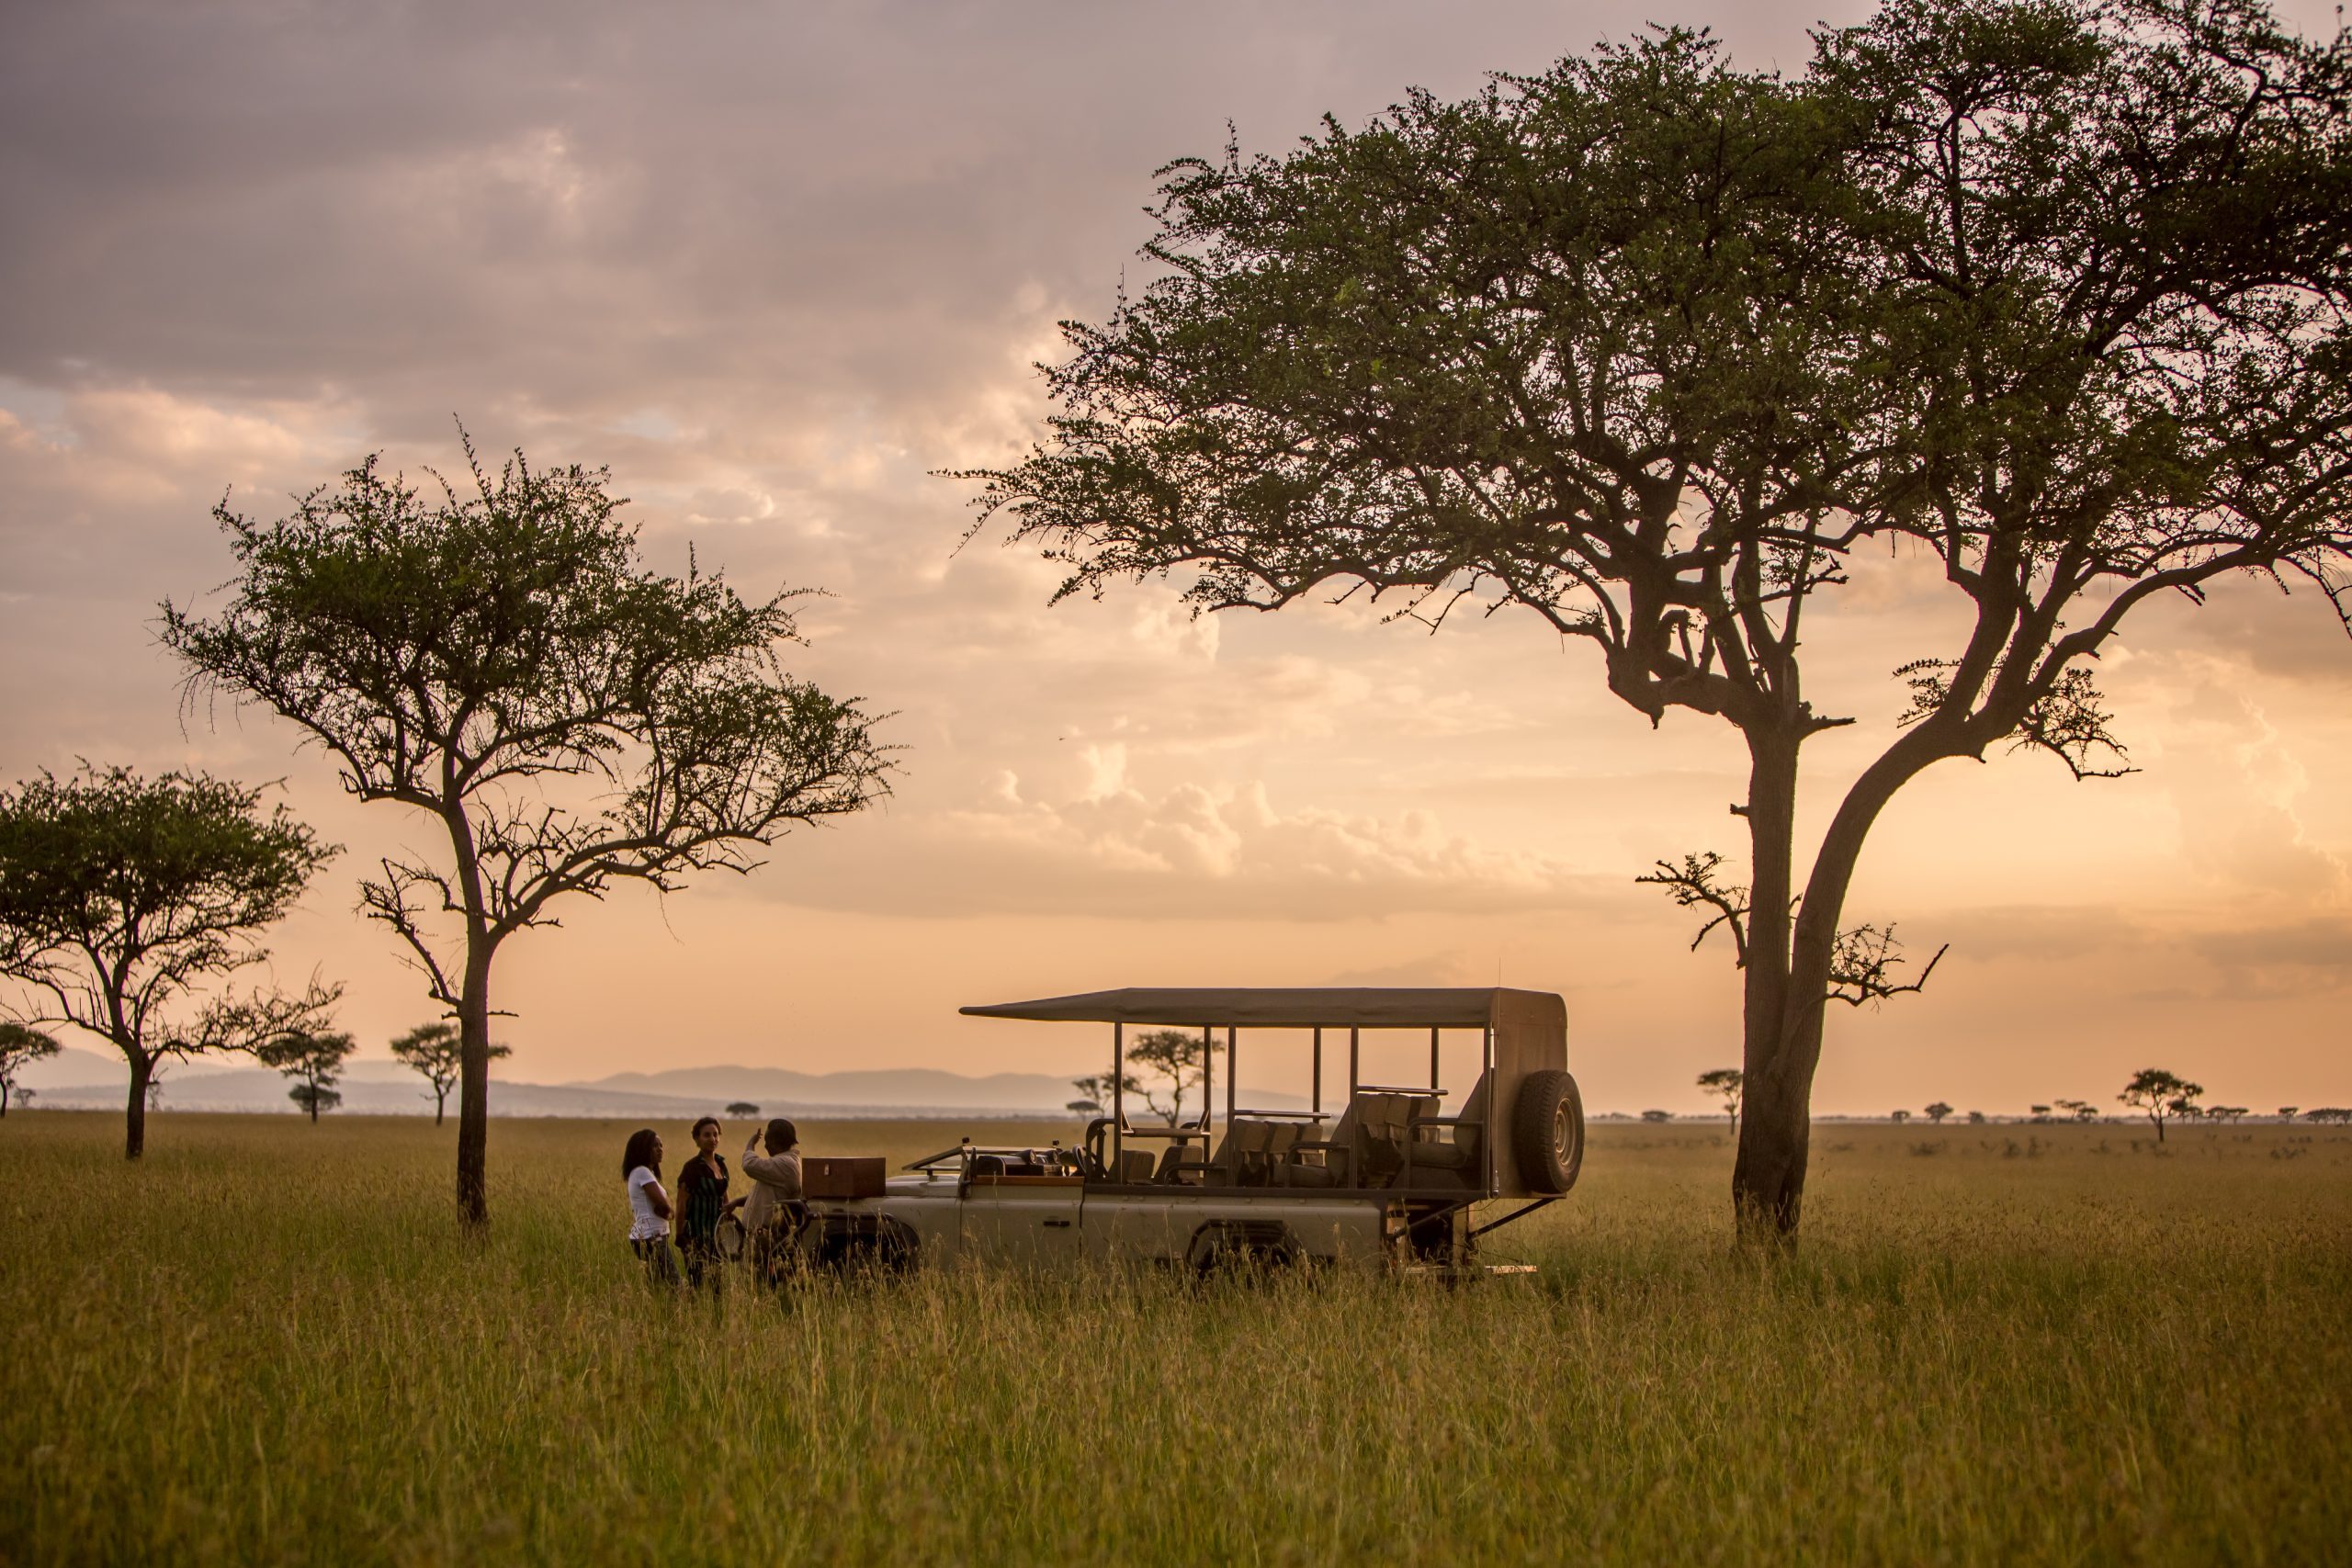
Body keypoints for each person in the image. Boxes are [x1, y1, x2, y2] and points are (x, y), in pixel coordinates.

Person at [674, 1114, 742, 1288]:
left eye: (715, 1134)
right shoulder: (692, 1168)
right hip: (696, 1234)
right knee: (697, 1282)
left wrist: (729, 1223)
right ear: (697, 1139)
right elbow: (681, 1204)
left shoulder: (721, 1164)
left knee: (717, 1284)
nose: (712, 1139)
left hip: (717, 1235)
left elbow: (724, 1196)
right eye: (706, 1135)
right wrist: (680, 1236)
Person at [740, 1117, 803, 1285]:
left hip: (767, 1239)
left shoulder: (785, 1164)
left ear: (778, 1142)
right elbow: (769, 1195)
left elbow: (749, 1165)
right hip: (762, 1237)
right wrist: (736, 1202)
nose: (766, 1146)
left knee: (761, 1285)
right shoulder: (783, 1163)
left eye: (768, 1141)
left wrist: (750, 1145)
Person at [620, 1127, 678, 1285]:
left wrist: (667, 1210)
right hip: (652, 1237)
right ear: (643, 1149)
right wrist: (670, 1211)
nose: (660, 1149)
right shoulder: (642, 1172)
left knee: (658, 1287)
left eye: (661, 1145)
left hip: (649, 1236)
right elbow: (663, 1204)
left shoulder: (643, 1172)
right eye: (654, 1146)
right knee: (674, 1286)